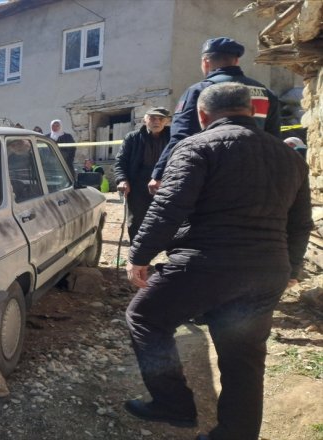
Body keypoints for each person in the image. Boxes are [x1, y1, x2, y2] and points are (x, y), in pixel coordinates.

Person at [124, 83, 311, 440]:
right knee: (244, 356)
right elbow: (301, 223)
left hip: (206, 263)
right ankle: (237, 434)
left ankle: (173, 405)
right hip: (267, 270)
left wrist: (140, 256)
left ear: (202, 115)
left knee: (144, 317)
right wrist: (292, 267)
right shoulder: (289, 156)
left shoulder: (195, 146)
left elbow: (168, 207)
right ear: (252, 112)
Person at [148, 37, 281, 194]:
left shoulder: (199, 91)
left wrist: (159, 173)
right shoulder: (266, 93)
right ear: (236, 61)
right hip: (257, 173)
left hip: (212, 174)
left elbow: (181, 137)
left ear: (205, 61)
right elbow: (274, 138)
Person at [114, 107, 172, 242]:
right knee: (137, 221)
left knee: (166, 220)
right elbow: (120, 161)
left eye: (161, 118)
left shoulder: (173, 137)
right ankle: (138, 257)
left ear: (167, 121)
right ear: (144, 120)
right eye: (152, 118)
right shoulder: (133, 138)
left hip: (166, 183)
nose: (156, 121)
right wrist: (122, 179)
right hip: (138, 184)